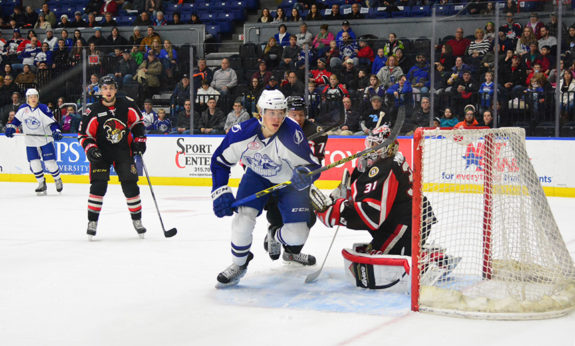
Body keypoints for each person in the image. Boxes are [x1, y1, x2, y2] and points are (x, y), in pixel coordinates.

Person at [210, 89, 321, 287]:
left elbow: (313, 166)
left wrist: (305, 174)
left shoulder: (293, 135)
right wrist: (219, 191)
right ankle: (239, 264)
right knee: (243, 219)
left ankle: (274, 235)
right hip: (257, 177)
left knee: (297, 236)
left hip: (288, 183)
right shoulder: (241, 133)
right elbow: (219, 161)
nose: (277, 118)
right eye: (271, 112)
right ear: (260, 112)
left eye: (281, 112)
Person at [316, 125, 413, 258]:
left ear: (387, 148)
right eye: (370, 143)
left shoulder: (385, 167)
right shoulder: (386, 161)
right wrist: (336, 197)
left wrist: (338, 213)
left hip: (408, 224)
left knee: (384, 258)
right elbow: (358, 189)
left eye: (375, 145)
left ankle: (418, 255)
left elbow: (372, 214)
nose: (370, 149)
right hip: (400, 219)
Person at [77, 76, 147, 239]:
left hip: (123, 151)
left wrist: (140, 141)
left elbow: (138, 124)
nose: (108, 91)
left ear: (116, 89)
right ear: (100, 90)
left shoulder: (127, 105)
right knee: (98, 187)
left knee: (131, 186)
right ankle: (92, 222)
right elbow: (83, 134)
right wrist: (91, 149)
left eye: (111, 88)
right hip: (101, 154)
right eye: (105, 88)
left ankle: (137, 221)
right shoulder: (92, 110)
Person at [263, 95, 327, 261]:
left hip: (299, 185)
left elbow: (317, 163)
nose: (298, 118)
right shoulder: (272, 127)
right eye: (294, 114)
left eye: (301, 114)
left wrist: (306, 174)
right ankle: (275, 233)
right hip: (277, 183)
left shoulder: (316, 132)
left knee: (308, 219)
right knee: (276, 217)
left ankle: (292, 252)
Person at [4, 88, 63, 195]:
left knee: (50, 163)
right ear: (27, 98)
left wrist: (56, 131)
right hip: (30, 141)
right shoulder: (23, 109)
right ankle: (41, 183)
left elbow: (53, 123)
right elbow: (16, 121)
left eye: (35, 96)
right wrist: (11, 128)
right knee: (34, 164)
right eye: (31, 97)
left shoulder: (43, 108)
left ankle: (57, 179)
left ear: (38, 98)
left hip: (44, 140)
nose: (33, 99)